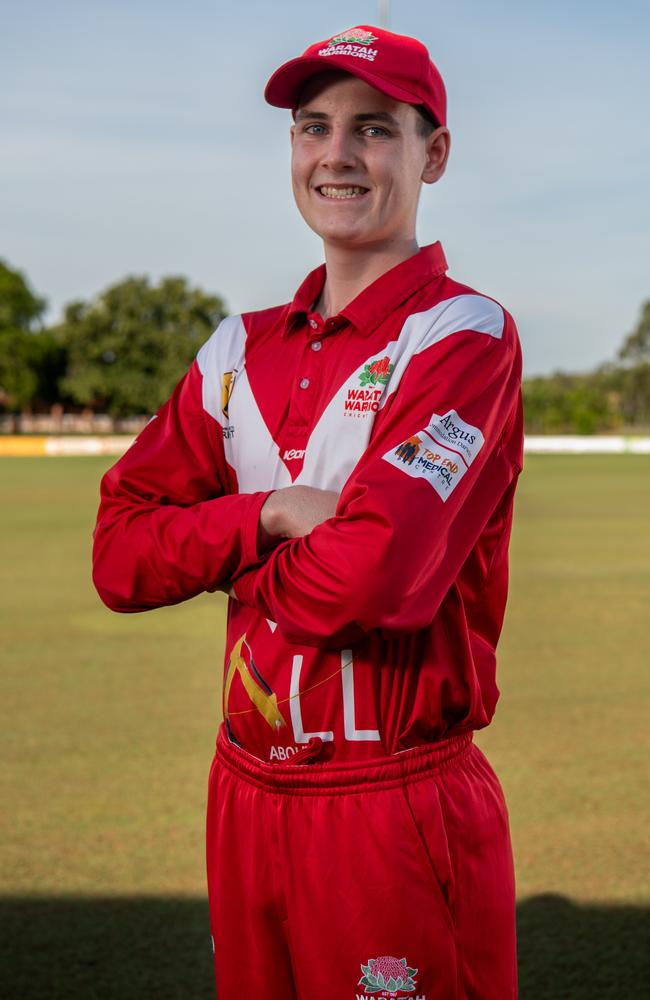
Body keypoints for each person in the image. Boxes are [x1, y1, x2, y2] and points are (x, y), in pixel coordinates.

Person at [93, 23, 523, 1000]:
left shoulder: (462, 335)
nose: (335, 155)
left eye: (373, 129)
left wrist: (207, 551)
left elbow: (370, 578)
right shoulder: (232, 352)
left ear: (433, 153)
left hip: (391, 800)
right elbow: (117, 558)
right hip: (243, 786)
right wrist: (271, 515)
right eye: (311, 126)